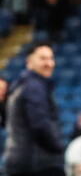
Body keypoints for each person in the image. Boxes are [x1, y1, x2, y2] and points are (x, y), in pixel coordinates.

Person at [3, 42, 64, 176]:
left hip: (21, 161)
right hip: (37, 164)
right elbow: (40, 124)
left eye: (51, 58)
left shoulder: (21, 84)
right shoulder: (34, 86)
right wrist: (58, 148)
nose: (49, 63)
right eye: (43, 58)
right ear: (29, 62)